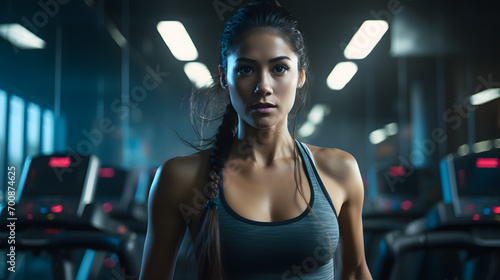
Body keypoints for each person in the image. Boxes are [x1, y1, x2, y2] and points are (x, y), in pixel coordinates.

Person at [139, 1, 372, 279]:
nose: (263, 86)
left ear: (300, 76)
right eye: (246, 70)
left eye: (279, 68)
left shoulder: (339, 170)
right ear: (225, 76)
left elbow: (356, 272)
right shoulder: (180, 178)